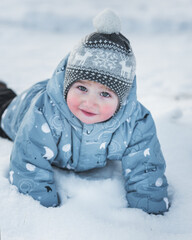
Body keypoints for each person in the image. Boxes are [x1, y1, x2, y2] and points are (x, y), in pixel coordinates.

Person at [0, 9, 169, 214]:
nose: (90, 102)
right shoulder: (43, 112)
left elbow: (146, 167)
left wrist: (149, 208)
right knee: (4, 104)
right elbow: (28, 162)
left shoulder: (135, 122)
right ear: (67, 86)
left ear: (122, 100)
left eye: (105, 94)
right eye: (82, 88)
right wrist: (41, 210)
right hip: (20, 109)